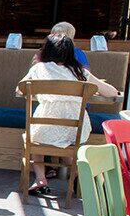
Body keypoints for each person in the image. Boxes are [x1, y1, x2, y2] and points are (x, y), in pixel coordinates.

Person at [20, 34, 118, 195]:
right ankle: (79, 178)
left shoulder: (39, 69)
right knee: (70, 143)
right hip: (76, 131)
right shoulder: (80, 72)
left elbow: (20, 88)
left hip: (44, 128)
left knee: (34, 135)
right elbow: (111, 92)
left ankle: (40, 177)